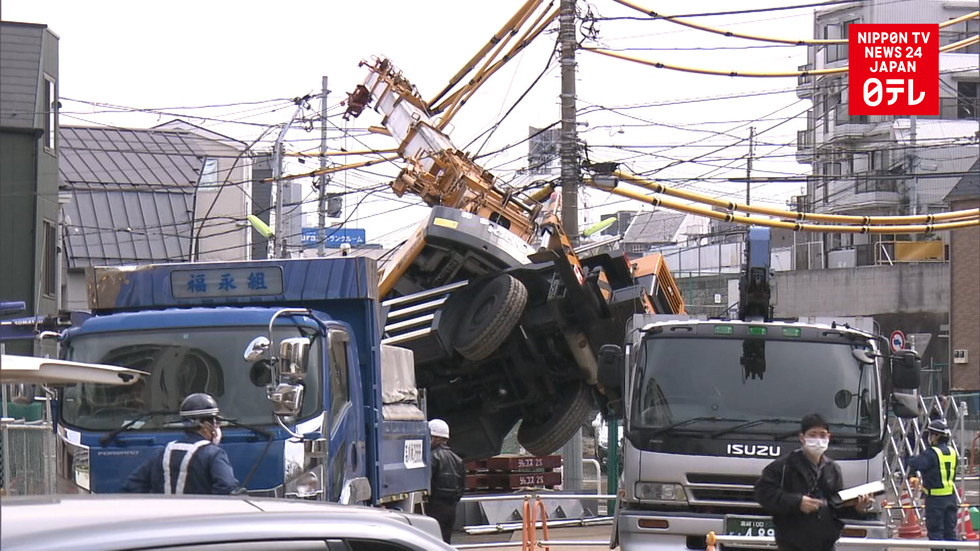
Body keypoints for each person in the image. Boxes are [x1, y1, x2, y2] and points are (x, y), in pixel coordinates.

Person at [754, 414, 873, 551]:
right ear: (802, 438)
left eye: (822, 435)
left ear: (829, 437)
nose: (818, 440)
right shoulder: (784, 465)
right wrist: (797, 502)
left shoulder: (832, 469)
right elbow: (762, 492)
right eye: (813, 435)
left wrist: (856, 507)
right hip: (792, 544)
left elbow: (836, 507)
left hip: (826, 545)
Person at [122, 393, 239, 495]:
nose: (217, 426)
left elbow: (132, 486)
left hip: (166, 518)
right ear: (206, 424)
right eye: (216, 422)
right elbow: (227, 486)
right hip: (200, 518)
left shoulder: (161, 453)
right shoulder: (213, 454)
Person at [905, 419, 958, 544]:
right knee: (950, 532)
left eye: (930, 434)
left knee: (935, 534)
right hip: (951, 497)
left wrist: (910, 458)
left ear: (936, 436)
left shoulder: (931, 453)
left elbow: (917, 464)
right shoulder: (952, 452)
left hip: (935, 500)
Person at [426, 418, 465, 544]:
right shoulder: (458, 459)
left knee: (432, 542)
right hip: (451, 508)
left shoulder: (431, 458)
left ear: (434, 438)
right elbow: (462, 486)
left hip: (434, 507)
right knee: (445, 542)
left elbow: (428, 483)